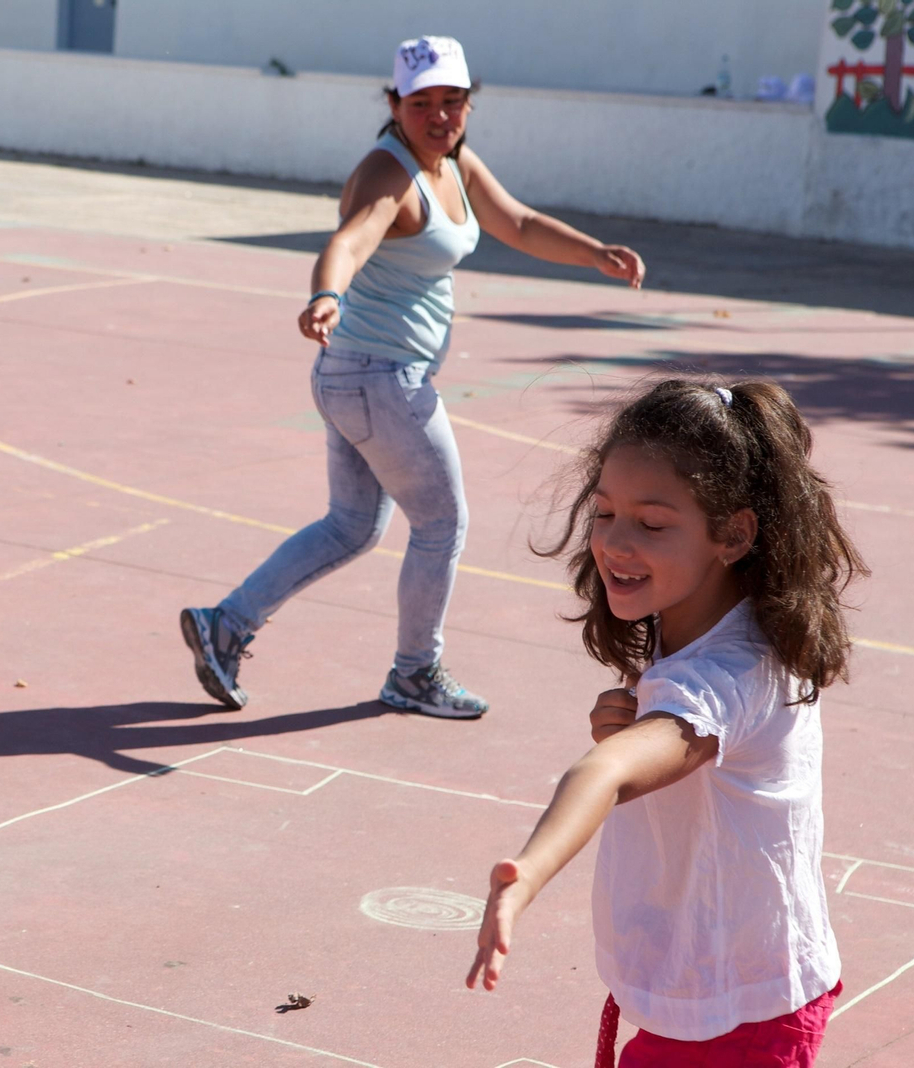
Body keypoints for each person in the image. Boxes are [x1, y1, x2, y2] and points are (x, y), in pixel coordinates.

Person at [180, 35, 646, 717]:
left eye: (452, 102)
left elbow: (516, 221)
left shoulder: (454, 163)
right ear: (394, 103)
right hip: (380, 380)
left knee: (352, 526)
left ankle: (226, 625)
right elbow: (351, 239)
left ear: (468, 104)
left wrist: (593, 253)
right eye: (421, 102)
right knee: (442, 524)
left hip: (355, 378)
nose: (439, 115)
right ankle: (414, 674)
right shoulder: (387, 174)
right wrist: (325, 294)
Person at [466, 379, 864, 1065]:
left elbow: (607, 772)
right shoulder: (708, 630)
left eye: (651, 524)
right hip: (731, 988)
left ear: (735, 534)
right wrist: (639, 724)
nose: (616, 542)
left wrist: (525, 874)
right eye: (603, 513)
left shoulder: (724, 673)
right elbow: (653, 753)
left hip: (739, 1021)